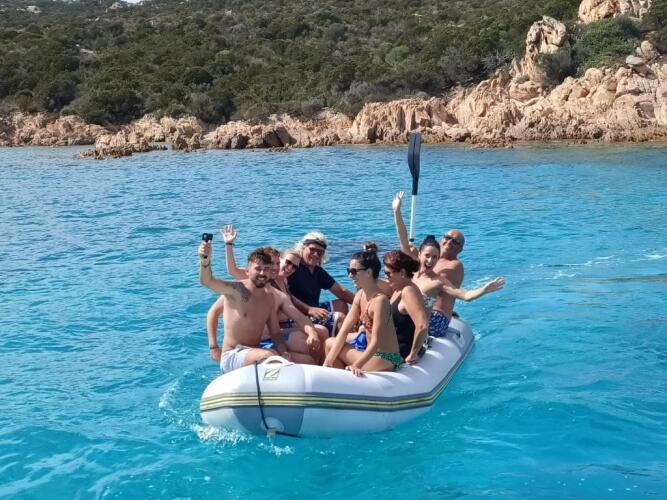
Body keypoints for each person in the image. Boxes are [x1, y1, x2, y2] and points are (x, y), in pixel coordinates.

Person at [392, 192, 505, 336]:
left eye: (455, 242)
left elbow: (447, 290)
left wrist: (484, 289)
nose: (450, 242)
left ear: (460, 249)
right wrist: (397, 212)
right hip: (422, 310)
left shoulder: (454, 266)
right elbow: (403, 240)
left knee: (403, 296)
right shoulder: (423, 260)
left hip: (436, 318)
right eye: (448, 237)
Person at [207, 225, 323, 362]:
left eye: (276, 264)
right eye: (271, 264)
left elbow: (296, 317)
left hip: (264, 344)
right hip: (243, 350)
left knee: (311, 353)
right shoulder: (240, 289)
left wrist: (311, 332)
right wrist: (214, 347)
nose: (275, 267)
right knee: (299, 342)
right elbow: (213, 311)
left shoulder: (276, 294)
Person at [198, 241, 288, 373]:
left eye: (266, 269)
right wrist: (205, 261)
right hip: (232, 355)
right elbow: (207, 281)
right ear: (247, 271)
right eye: (258, 269)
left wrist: (285, 353)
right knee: (270, 356)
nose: (262, 273)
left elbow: (275, 334)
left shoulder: (269, 298)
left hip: (254, 353)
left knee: (295, 358)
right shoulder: (236, 290)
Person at [323, 249, 403, 375]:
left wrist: (357, 365)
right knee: (329, 343)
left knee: (331, 345)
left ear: (369, 272)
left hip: (387, 358)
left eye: (354, 271)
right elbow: (344, 331)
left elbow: (376, 340)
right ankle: (337, 379)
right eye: (349, 271)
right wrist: (327, 363)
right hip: (370, 354)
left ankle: (341, 380)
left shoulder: (381, 301)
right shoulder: (360, 295)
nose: (350, 276)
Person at [288, 232, 355, 335]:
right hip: (298, 315)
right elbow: (285, 294)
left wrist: (364, 304)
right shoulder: (293, 268)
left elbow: (341, 291)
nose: (315, 254)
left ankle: (337, 335)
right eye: (312, 249)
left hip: (313, 309)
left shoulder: (317, 271)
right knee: (339, 318)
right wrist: (309, 309)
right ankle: (344, 341)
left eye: (320, 252)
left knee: (341, 304)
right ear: (303, 248)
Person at [382, 250, 430, 363]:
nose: (385, 277)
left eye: (388, 273)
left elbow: (422, 325)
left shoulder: (409, 291)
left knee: (339, 347)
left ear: (402, 272)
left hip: (398, 355)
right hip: (388, 348)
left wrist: (412, 354)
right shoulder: (398, 289)